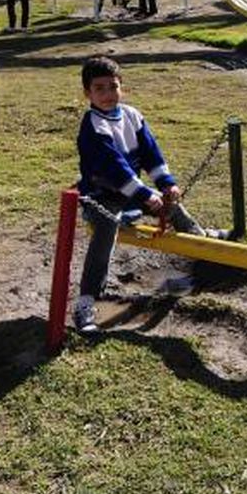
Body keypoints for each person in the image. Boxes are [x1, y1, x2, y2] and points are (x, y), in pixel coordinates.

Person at [73, 56, 223, 334]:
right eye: (99, 88)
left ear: (122, 87)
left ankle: (205, 247)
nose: (108, 94)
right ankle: (87, 300)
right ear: (87, 93)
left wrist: (166, 183)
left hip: (131, 192)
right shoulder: (93, 126)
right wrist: (144, 194)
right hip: (101, 195)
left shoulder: (132, 115)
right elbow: (114, 170)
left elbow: (151, 152)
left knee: (173, 206)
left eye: (113, 87)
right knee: (105, 231)